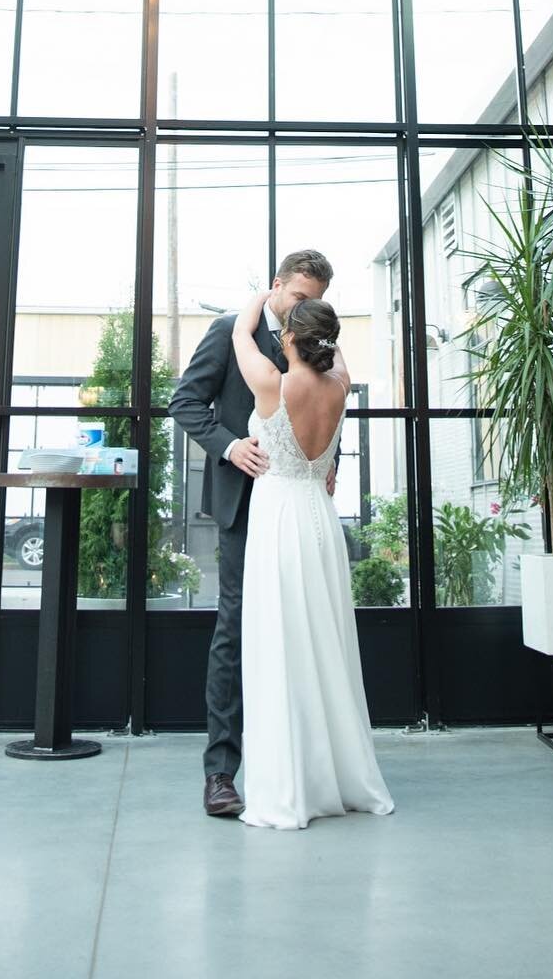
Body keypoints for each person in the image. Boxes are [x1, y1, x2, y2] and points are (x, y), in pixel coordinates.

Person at [168, 249, 334, 818]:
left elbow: (326, 402)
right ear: (275, 287)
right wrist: (230, 445)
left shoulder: (315, 342)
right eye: (298, 299)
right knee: (235, 631)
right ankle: (221, 772)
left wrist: (326, 458)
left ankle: (294, 764)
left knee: (300, 629)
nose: (305, 310)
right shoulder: (227, 332)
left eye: (315, 302)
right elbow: (185, 403)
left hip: (297, 506)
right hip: (245, 508)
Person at [229, 290, 394, 830]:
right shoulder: (339, 387)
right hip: (321, 518)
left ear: (291, 339)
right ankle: (341, 777)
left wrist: (260, 298)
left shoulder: (275, 386)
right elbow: (340, 356)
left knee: (280, 640)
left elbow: (238, 336)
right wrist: (321, 335)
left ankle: (290, 786)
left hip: (279, 516)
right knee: (325, 642)